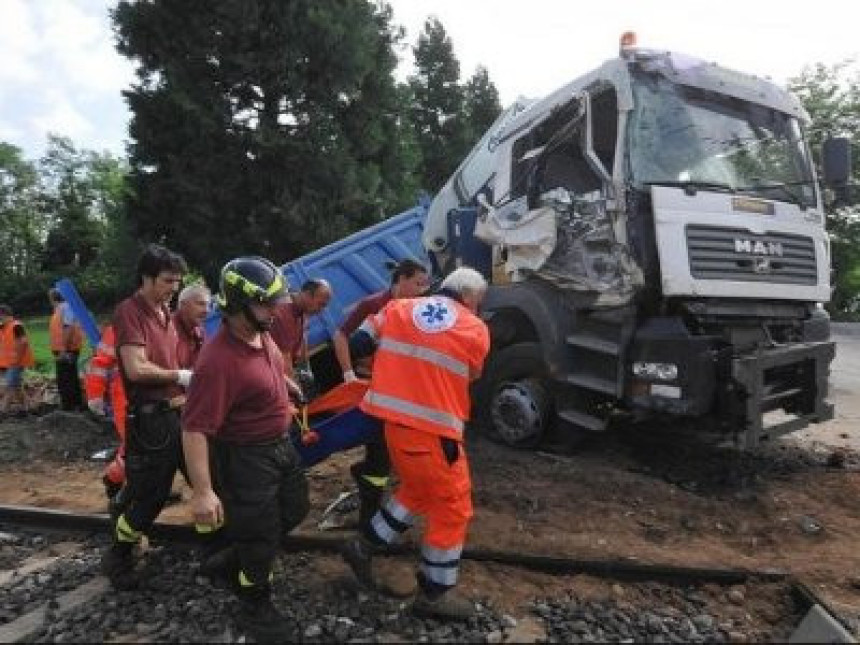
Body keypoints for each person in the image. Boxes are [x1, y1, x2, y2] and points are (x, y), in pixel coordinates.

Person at [341, 267, 490, 621]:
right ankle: (434, 596)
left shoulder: (400, 308)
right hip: (434, 434)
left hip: (395, 427)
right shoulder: (475, 328)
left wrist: (393, 370)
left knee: (418, 492)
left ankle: (361, 546)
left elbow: (358, 342)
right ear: (470, 299)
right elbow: (472, 374)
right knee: (453, 506)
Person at [182, 256, 309, 641]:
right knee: (260, 536)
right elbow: (193, 428)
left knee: (296, 508)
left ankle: (228, 560)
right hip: (247, 458)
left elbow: (266, 364)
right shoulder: (217, 362)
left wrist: (285, 384)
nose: (276, 310)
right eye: (267, 303)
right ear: (238, 303)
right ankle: (254, 603)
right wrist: (203, 492)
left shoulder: (261, 331)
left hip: (280, 446)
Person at [100, 243, 190, 590]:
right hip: (151, 421)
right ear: (147, 278)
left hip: (174, 415)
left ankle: (217, 553)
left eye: (178, 282)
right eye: (168, 281)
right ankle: (118, 555)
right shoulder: (130, 311)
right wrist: (179, 376)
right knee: (150, 497)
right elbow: (136, 370)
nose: (174, 288)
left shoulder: (165, 313)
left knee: (203, 481)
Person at [331, 259, 430, 533]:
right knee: (379, 451)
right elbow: (342, 335)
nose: (423, 290)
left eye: (426, 285)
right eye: (419, 283)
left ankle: (368, 490)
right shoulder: (374, 304)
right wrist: (349, 371)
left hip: (396, 392)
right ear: (401, 280)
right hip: (372, 388)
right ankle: (369, 514)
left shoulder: (419, 311)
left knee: (382, 454)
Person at [85, 323, 128, 500]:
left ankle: (154, 488)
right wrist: (95, 395)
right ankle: (114, 480)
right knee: (136, 448)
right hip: (126, 398)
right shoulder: (122, 326)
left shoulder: (165, 323)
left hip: (153, 396)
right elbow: (100, 363)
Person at [269, 278, 332, 395]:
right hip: (271, 373)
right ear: (307, 295)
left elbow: (303, 338)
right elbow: (284, 359)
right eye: (321, 305)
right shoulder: (284, 314)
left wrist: (306, 368)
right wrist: (297, 392)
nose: (321, 310)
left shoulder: (301, 312)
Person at [48, 289, 85, 411]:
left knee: (65, 378)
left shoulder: (65, 308)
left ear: (53, 298)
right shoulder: (64, 308)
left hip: (66, 349)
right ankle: (75, 404)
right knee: (69, 376)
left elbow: (68, 328)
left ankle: (69, 406)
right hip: (66, 348)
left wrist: (64, 349)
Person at [0, 304, 36, 413]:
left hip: (16, 362)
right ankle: (27, 408)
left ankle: (3, 411)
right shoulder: (4, 327)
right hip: (9, 362)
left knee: (9, 386)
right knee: (17, 386)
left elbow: (23, 342)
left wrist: (17, 359)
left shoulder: (16, 326)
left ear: (5, 315)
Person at [173, 284, 211, 370]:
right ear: (183, 305)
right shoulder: (167, 330)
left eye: (208, 305)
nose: (206, 310)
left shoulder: (200, 332)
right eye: (201, 304)